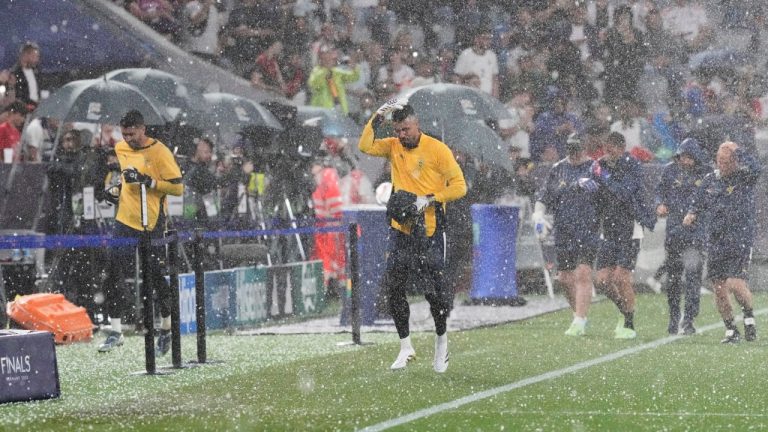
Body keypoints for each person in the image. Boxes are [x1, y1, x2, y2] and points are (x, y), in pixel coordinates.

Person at [358, 100, 467, 373]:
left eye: (406, 129)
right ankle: (406, 346)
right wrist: (380, 113)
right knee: (394, 287)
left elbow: (460, 187)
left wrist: (430, 199)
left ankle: (441, 342)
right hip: (401, 228)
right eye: (398, 130)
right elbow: (365, 144)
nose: (401, 135)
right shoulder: (393, 146)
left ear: (417, 125)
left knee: (435, 294)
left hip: (430, 230)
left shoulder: (437, 149)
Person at [98, 110, 183, 354]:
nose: (128, 139)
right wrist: (115, 191)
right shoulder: (121, 148)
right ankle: (116, 331)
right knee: (113, 272)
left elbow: (177, 189)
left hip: (152, 221)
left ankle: (166, 327)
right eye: (124, 134)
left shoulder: (160, 152)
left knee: (155, 276)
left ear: (143, 129)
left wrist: (149, 181)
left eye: (132, 134)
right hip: (124, 220)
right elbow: (127, 181)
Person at [683, 141, 761, 343]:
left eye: (726, 162)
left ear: (735, 161)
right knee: (718, 287)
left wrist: (739, 151)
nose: (721, 166)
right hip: (716, 240)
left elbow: (757, 168)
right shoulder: (710, 180)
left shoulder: (744, 177)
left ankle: (749, 316)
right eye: (719, 161)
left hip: (739, 238)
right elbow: (697, 201)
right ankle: (730, 330)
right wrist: (692, 213)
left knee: (735, 284)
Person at [533, 134, 600, 336]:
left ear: (584, 149)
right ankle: (578, 315)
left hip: (588, 227)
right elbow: (545, 196)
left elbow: (604, 190)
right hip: (565, 230)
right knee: (564, 278)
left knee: (583, 273)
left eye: (577, 150)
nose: (574, 154)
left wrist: (593, 185)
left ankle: (579, 320)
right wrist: (538, 215)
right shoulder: (558, 169)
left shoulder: (594, 167)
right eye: (570, 150)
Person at [591, 132, 656, 339]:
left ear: (621, 148)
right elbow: (596, 191)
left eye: (611, 150)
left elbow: (624, 193)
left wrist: (604, 178)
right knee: (601, 281)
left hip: (629, 227)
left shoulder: (632, 165)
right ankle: (624, 309)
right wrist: (588, 186)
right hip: (608, 228)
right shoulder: (600, 165)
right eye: (605, 150)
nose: (607, 154)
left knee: (621, 277)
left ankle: (629, 324)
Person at [655, 138, 711, 335]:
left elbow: (709, 199)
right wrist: (660, 203)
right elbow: (660, 191)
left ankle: (688, 319)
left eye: (689, 157)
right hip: (674, 232)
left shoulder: (706, 173)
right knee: (673, 278)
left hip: (696, 233)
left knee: (694, 277)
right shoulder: (670, 170)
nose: (685, 161)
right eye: (682, 157)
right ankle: (673, 316)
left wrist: (695, 213)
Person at [11, 42, 41, 109]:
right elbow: (15, 97)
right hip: (22, 112)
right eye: (34, 56)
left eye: (37, 57)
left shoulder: (36, 72)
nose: (37, 60)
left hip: (36, 110)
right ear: (25, 55)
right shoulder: (14, 74)